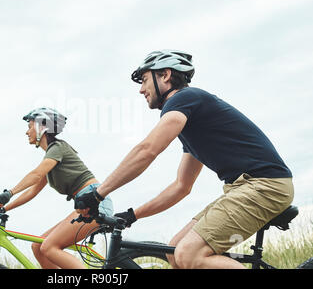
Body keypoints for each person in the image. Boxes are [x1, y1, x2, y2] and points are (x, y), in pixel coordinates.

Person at [75, 50, 293, 269]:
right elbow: (181, 186)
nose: (141, 90)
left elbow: (147, 150)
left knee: (189, 254)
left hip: (265, 185)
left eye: (144, 80)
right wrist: (132, 215)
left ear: (166, 75)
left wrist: (97, 194)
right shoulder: (193, 126)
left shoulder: (184, 99)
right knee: (175, 251)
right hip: (244, 188)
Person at [0, 107, 113, 269]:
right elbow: (32, 191)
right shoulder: (51, 158)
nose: (27, 132)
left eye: (29, 127)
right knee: (38, 247)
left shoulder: (57, 148)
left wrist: (9, 192)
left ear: (41, 127)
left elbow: (36, 174)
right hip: (84, 205)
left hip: (95, 202)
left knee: (48, 247)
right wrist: (4, 208)